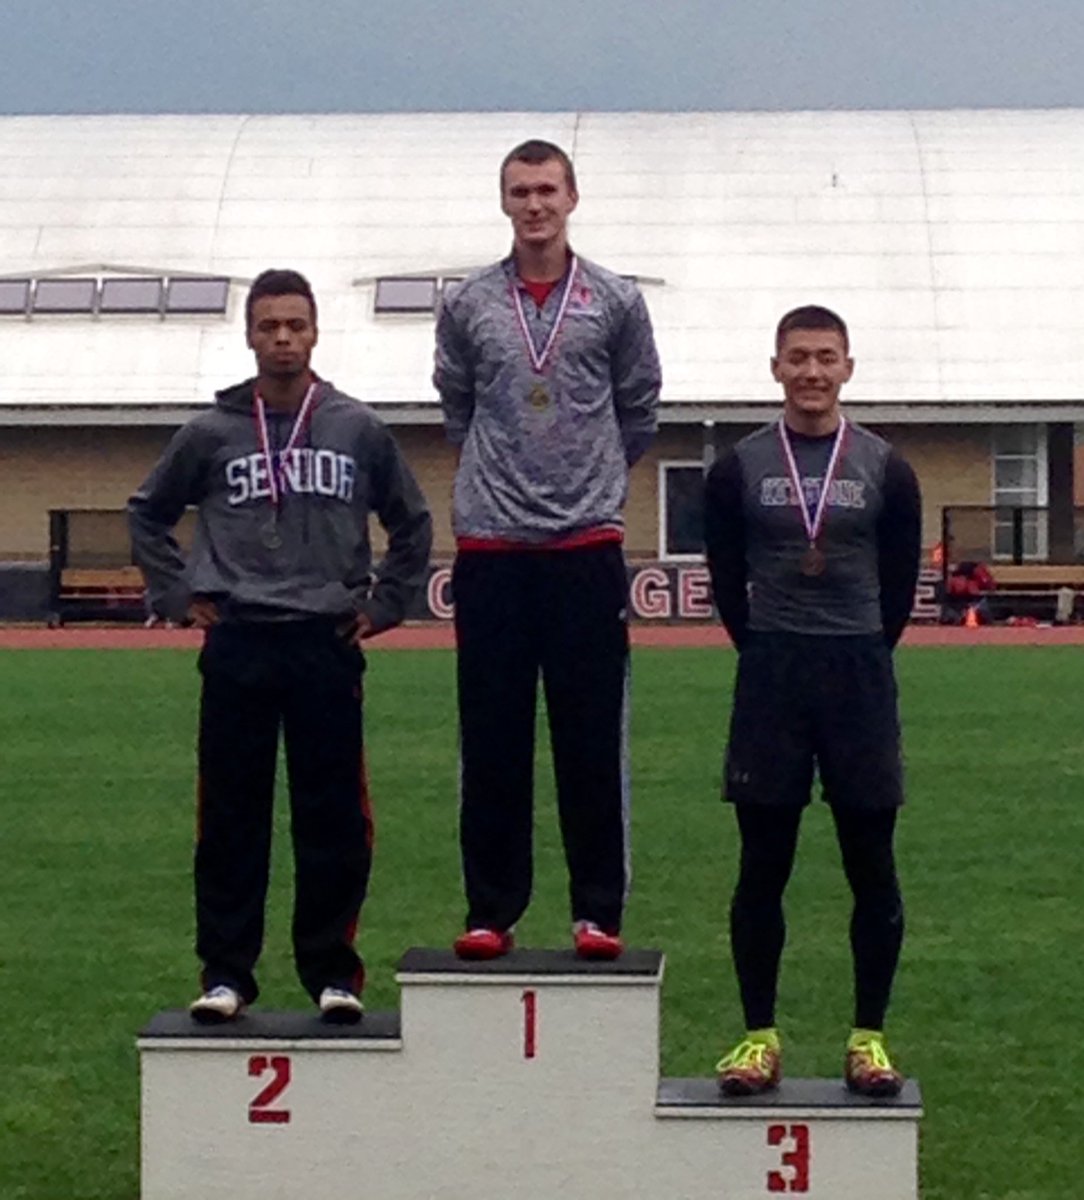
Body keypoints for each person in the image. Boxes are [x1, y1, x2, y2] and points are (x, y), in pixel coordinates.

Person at [129, 269, 432, 1024]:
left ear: (317, 331)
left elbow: (413, 521)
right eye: (270, 326)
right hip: (238, 641)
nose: (284, 338)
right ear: (250, 335)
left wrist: (387, 602)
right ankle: (227, 974)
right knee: (230, 817)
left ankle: (334, 974)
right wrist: (174, 593)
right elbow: (147, 513)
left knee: (331, 816)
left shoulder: (357, 428)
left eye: (296, 324)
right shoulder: (210, 433)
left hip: (324, 642)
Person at [433, 139, 662, 961]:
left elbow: (638, 408)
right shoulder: (466, 304)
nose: (535, 205)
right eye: (520, 192)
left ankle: (597, 909)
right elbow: (457, 406)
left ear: (573, 198)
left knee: (589, 736)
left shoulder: (617, 301)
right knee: (492, 738)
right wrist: (503, 481)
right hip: (492, 548)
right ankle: (493, 907)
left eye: (547, 190)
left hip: (584, 547)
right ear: (503, 202)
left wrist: (586, 481)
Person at [703, 305, 921, 1097]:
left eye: (826, 358)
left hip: (859, 673)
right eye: (797, 358)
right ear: (775, 368)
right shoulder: (739, 465)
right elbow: (728, 576)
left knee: (872, 864)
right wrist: (765, 646)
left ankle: (869, 1039)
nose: (812, 373)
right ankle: (758, 1037)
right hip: (773, 677)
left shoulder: (886, 466)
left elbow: (899, 582)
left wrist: (860, 644)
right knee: (763, 866)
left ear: (848, 368)